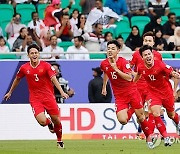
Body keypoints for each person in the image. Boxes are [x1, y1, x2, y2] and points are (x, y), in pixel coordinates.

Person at [4, 44, 69, 149]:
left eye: (36, 53)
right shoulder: (24, 68)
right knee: (42, 121)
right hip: (35, 98)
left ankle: (59, 140)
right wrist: (10, 92)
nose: (34, 55)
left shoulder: (46, 66)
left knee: (57, 120)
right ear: (28, 55)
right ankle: (49, 124)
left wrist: (61, 92)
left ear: (39, 54)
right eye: (32, 53)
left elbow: (53, 79)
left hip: (48, 97)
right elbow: (17, 79)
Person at [100, 40, 158, 149]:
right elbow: (106, 73)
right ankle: (131, 108)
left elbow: (129, 77)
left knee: (140, 117)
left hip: (132, 92)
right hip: (120, 96)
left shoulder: (123, 62)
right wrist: (104, 86)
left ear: (118, 50)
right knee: (122, 120)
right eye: (108, 48)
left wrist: (116, 68)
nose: (110, 50)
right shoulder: (104, 63)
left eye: (113, 48)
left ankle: (149, 138)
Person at [134, 45, 180, 145]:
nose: (147, 56)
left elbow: (171, 72)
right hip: (153, 93)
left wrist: (174, 74)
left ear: (152, 54)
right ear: (142, 57)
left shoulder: (160, 65)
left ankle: (178, 123)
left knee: (171, 115)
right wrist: (132, 85)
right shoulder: (141, 67)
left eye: (149, 54)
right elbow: (138, 75)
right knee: (155, 114)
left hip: (166, 93)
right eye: (145, 55)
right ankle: (166, 137)